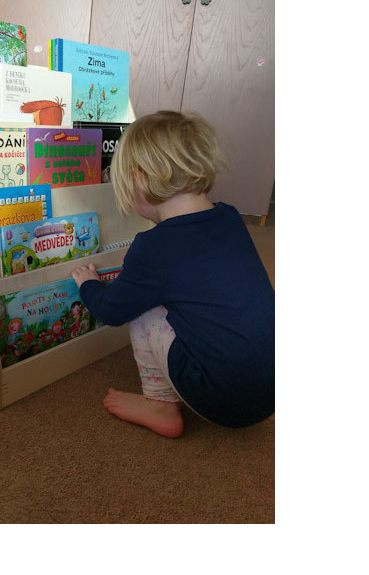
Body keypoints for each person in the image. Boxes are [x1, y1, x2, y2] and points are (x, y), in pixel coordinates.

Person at [71, 110, 274, 438]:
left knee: (143, 305)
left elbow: (111, 311)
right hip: (272, 393)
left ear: (138, 180)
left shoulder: (152, 247)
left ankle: (160, 406)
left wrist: (89, 283)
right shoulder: (231, 218)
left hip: (227, 401)